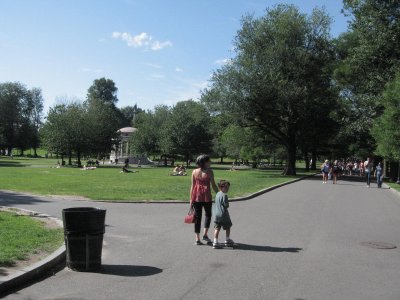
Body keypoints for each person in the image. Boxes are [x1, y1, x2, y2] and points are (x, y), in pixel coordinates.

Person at [190, 154, 218, 245]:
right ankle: (205, 234)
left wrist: (191, 199)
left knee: (198, 218)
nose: (210, 162)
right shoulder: (210, 172)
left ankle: (197, 238)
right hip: (206, 197)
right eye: (209, 161)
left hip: (197, 197)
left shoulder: (194, 171)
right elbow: (213, 185)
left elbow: (192, 186)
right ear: (204, 162)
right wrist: (219, 194)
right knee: (208, 215)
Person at [213, 180, 234, 249]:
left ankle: (215, 241)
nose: (228, 189)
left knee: (217, 228)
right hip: (223, 215)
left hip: (216, 214)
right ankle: (227, 239)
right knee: (228, 226)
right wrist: (227, 204)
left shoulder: (217, 194)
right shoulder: (224, 195)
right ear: (222, 187)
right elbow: (226, 205)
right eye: (227, 188)